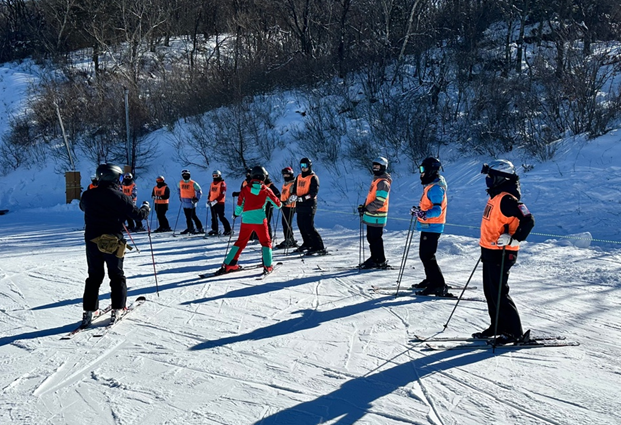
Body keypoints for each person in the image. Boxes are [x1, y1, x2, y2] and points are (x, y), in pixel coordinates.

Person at [79, 163, 150, 326]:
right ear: (114, 178)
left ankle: (89, 310)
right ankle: (118, 307)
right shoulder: (120, 197)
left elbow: (83, 206)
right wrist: (146, 208)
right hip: (113, 241)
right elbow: (138, 216)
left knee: (94, 276)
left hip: (92, 240)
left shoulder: (88, 195)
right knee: (116, 275)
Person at [475, 159, 535, 344]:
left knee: (500, 292)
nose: (488, 179)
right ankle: (498, 326)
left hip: (503, 252)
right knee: (490, 292)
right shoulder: (496, 196)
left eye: (491, 176)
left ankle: (514, 332)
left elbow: (528, 220)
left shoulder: (508, 199)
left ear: (501, 177)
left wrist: (514, 238)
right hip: (490, 250)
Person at [218, 166, 282, 274]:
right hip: (260, 221)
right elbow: (278, 205)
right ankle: (268, 265)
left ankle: (229, 264)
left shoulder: (245, 189)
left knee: (241, 241)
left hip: (246, 220)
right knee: (266, 242)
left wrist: (236, 214)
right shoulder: (266, 190)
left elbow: (239, 206)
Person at [410, 157, 449, 296]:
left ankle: (438, 284)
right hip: (429, 225)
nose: (421, 173)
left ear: (431, 170)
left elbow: (437, 210)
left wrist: (423, 213)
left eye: (423, 169)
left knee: (427, 255)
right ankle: (431, 280)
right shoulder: (432, 185)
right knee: (425, 255)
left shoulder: (436, 188)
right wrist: (420, 211)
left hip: (433, 226)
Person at [358, 157, 391, 269]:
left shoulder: (383, 182)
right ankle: (374, 257)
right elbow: (371, 198)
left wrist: (367, 209)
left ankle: (380, 260)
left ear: (383, 167)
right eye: (374, 166)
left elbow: (379, 201)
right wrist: (364, 206)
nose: (375, 168)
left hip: (378, 215)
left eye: (377, 166)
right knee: (371, 238)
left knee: (376, 239)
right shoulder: (376, 180)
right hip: (372, 215)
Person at [291, 157, 326, 255]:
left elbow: (313, 192)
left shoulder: (313, 177)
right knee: (301, 225)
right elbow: (295, 189)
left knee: (308, 226)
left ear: (309, 166)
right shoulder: (298, 177)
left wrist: (304, 198)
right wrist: (293, 196)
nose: (303, 168)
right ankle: (307, 243)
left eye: (305, 166)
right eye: (301, 166)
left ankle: (318, 246)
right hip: (299, 205)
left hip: (309, 204)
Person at [276, 166, 298, 249]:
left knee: (287, 223)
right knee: (285, 223)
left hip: (290, 206)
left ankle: (289, 240)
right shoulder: (285, 184)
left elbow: (294, 196)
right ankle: (288, 239)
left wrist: (286, 202)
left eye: (287, 175)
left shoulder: (293, 184)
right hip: (284, 206)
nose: (285, 176)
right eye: (284, 175)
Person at [178, 169, 204, 234]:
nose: (185, 176)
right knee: (187, 216)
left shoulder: (193, 183)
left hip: (191, 201)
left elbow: (199, 191)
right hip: (184, 201)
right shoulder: (180, 182)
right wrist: (180, 197)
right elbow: (178, 190)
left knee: (193, 215)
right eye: (184, 175)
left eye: (186, 174)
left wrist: (197, 199)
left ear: (189, 175)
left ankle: (199, 228)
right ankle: (190, 228)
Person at [207, 170, 232, 236]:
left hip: (219, 203)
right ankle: (215, 229)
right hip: (212, 202)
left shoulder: (222, 183)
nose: (215, 177)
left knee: (221, 217)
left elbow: (222, 194)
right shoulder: (212, 183)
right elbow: (210, 192)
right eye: (214, 176)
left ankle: (228, 230)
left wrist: (216, 201)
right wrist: (209, 199)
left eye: (216, 176)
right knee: (213, 217)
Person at [264, 170, 281, 238]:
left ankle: (269, 237)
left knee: (266, 221)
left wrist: (273, 202)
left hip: (268, 205)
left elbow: (277, 194)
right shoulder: (262, 184)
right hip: (262, 205)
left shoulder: (270, 185)